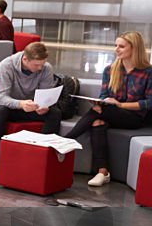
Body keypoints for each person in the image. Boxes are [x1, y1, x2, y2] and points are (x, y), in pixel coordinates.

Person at [65, 32, 152, 187]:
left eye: (121, 46)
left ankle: (66, 140)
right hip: (110, 114)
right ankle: (102, 172)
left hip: (134, 118)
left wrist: (119, 105)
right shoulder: (109, 70)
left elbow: (149, 103)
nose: (116, 49)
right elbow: (104, 95)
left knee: (102, 113)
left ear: (135, 48)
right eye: (115, 45)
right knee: (97, 121)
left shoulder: (148, 72)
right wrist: (100, 103)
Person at [0, 41, 62, 174]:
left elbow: (46, 93)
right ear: (25, 59)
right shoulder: (6, 66)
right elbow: (2, 97)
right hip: (3, 105)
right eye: (36, 65)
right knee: (0, 111)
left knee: (54, 113)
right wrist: (20, 104)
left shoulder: (46, 68)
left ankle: (42, 154)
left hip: (30, 105)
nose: (40, 68)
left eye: (42, 64)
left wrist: (45, 106)